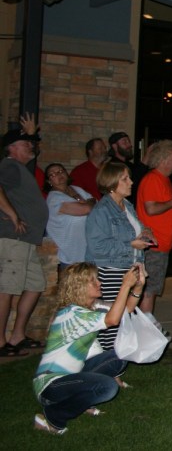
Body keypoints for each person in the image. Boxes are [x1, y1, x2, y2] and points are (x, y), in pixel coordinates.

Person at [31, 261, 147, 436]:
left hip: (72, 376)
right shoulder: (72, 314)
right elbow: (112, 320)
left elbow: (127, 309)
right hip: (51, 386)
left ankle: (80, 401)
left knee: (120, 356)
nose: (99, 283)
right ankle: (54, 417)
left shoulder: (93, 307)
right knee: (108, 387)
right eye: (93, 281)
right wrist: (125, 285)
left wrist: (138, 286)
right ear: (79, 287)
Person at [84, 162, 156, 352]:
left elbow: (133, 229)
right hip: (109, 272)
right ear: (111, 183)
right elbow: (97, 247)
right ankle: (106, 362)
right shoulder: (101, 211)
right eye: (125, 179)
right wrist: (131, 244)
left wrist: (145, 233)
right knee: (111, 323)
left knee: (124, 319)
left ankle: (116, 361)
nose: (131, 182)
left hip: (127, 269)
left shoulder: (127, 205)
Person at [0, 115, 50, 356]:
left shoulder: (20, 168)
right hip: (14, 239)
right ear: (12, 148)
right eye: (25, 144)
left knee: (35, 284)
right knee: (7, 289)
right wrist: (12, 214)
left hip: (27, 240)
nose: (30, 147)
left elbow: (34, 149)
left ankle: (17, 335)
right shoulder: (9, 166)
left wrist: (32, 136)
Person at [136, 140, 172, 320]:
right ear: (163, 159)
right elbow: (151, 208)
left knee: (151, 290)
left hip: (160, 245)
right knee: (149, 291)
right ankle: (145, 329)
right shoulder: (153, 179)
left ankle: (146, 327)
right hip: (153, 245)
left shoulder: (163, 180)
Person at [44, 163, 96, 279]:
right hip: (71, 254)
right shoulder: (54, 198)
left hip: (88, 251)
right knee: (74, 288)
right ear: (49, 181)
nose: (59, 174)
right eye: (53, 174)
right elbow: (86, 209)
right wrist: (86, 203)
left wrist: (87, 203)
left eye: (61, 171)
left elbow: (95, 201)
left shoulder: (76, 189)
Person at [106, 131, 148, 203]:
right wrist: (146, 158)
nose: (129, 145)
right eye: (124, 142)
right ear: (115, 146)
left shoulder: (130, 165)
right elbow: (134, 183)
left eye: (129, 141)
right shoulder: (112, 166)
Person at [68, 137, 106, 201]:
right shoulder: (79, 171)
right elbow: (74, 193)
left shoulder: (108, 169)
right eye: (100, 148)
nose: (104, 151)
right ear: (90, 152)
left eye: (104, 148)